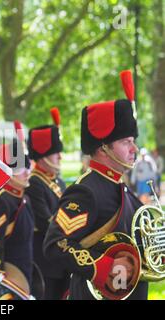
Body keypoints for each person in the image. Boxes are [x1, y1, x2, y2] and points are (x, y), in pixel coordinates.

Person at [43, 71, 147, 300]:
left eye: (133, 142)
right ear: (103, 148)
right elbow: (56, 244)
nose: (134, 149)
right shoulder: (86, 191)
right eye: (126, 142)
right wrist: (104, 267)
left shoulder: (120, 187)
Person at [26, 107, 70, 300]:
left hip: (62, 258)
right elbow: (46, 221)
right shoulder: (33, 182)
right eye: (55, 153)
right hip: (45, 261)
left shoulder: (58, 181)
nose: (60, 157)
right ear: (43, 155)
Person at [0, 139, 34, 294]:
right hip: (9, 281)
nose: (27, 172)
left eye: (27, 167)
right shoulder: (1, 202)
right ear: (6, 172)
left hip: (24, 272)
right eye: (19, 169)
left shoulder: (24, 198)